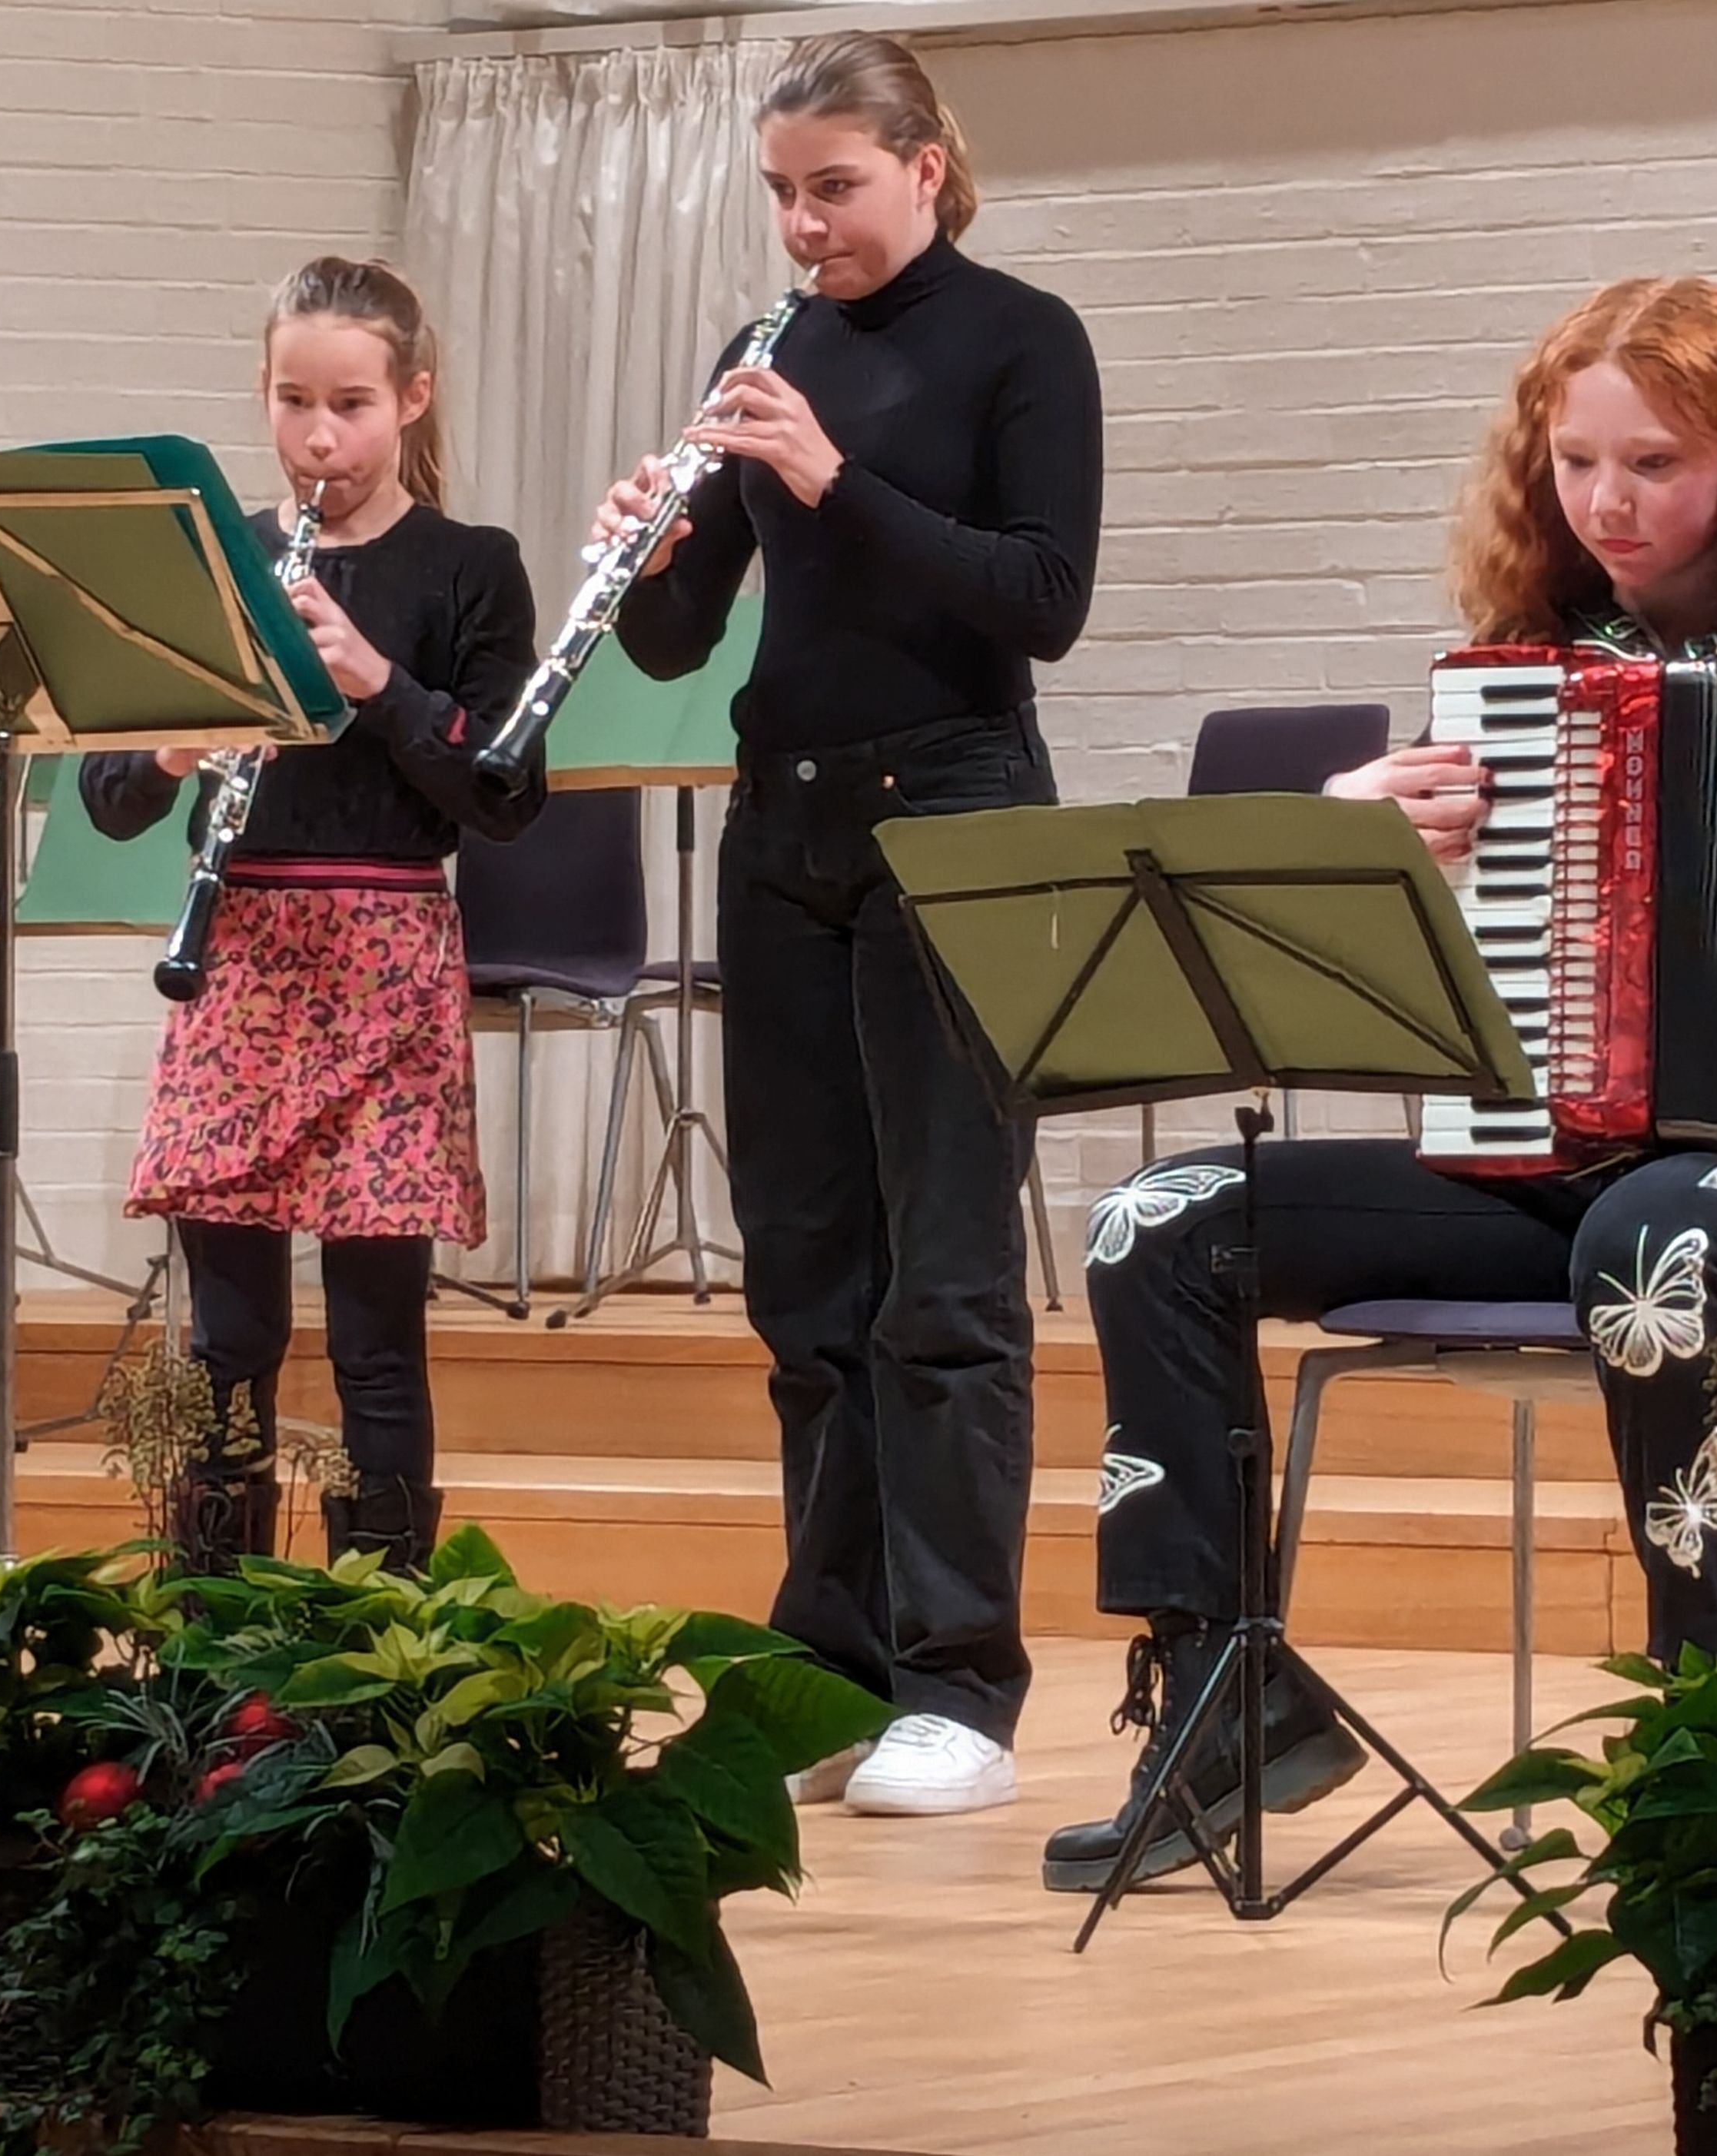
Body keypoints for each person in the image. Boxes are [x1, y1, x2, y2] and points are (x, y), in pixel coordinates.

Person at [1041, 275, 1717, 1892]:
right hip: (1523, 1171)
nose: (1605, 503)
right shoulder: (1511, 683)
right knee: (1156, 1215)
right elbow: (1392, 988)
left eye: (1654, 465)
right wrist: (1354, 830)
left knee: (1653, 1245)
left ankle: (1712, 1743)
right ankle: (1229, 1691)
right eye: (1574, 463)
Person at [593, 32, 1104, 1816]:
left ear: (926, 166)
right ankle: (831, 1654)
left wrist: (828, 480)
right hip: (785, 826)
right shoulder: (763, 352)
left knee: (944, 1275)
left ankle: (959, 1677)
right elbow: (677, 646)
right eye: (783, 195)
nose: (805, 226)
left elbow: (1040, 597)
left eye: (837, 187)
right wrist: (658, 551)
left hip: (958, 810)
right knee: (805, 1270)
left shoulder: (1017, 337)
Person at [81, 256, 542, 1574]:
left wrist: (376, 679)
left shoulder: (470, 568)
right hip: (237, 957)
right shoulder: (214, 561)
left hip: (385, 956)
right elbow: (108, 796)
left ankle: (381, 1642)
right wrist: (175, 745)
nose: (319, 436)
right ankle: (211, 1627)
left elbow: (506, 796)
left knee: (375, 1339)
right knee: (225, 1337)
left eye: (351, 403)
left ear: (413, 398)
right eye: (293, 401)